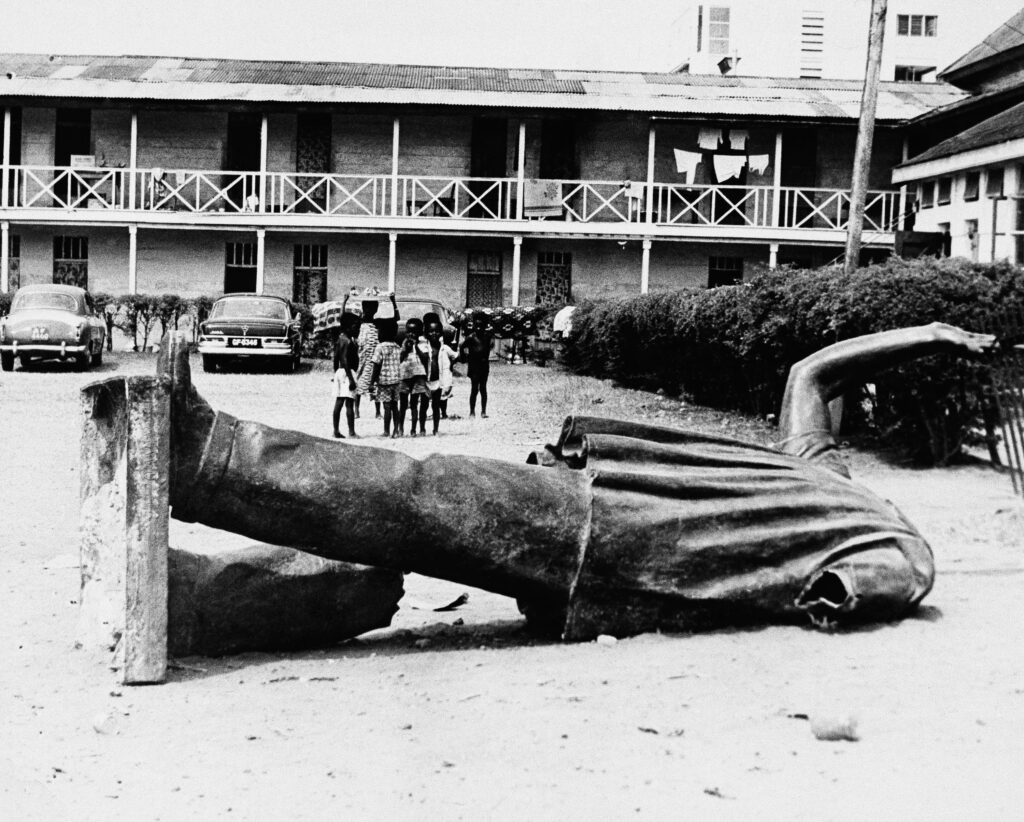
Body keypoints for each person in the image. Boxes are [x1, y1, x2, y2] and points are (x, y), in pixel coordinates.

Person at [156, 322, 997, 641]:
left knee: (421, 492)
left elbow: (848, 595)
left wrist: (926, 334)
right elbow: (811, 378)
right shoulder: (842, 488)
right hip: (608, 522)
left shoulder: (898, 549)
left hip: (616, 540)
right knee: (407, 527)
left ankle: (209, 460)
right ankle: (207, 596)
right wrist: (928, 332)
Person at [355, 292, 400, 420]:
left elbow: (396, 318)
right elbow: (343, 321)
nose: (369, 310)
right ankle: (356, 409)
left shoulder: (378, 322)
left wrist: (393, 301)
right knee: (360, 380)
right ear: (363, 308)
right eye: (366, 307)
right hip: (363, 357)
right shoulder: (359, 322)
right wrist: (345, 301)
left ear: (376, 309)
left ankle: (378, 411)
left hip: (375, 355)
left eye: (372, 307)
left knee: (376, 383)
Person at [369, 318, 402, 438]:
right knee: (395, 406)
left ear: (382, 333)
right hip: (396, 381)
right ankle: (396, 430)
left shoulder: (380, 347)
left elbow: (376, 366)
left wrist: (371, 382)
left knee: (387, 407)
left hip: (384, 382)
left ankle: (386, 431)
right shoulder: (397, 347)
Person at [424, 317, 457, 436]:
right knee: (423, 405)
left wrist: (462, 353)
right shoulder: (424, 348)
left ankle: (436, 429)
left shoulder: (444, 348)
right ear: (426, 333)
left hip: (438, 381)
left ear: (441, 333)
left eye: (437, 331)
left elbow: (456, 357)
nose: (434, 333)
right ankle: (422, 428)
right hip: (426, 381)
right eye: (431, 331)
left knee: (436, 406)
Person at [397, 317, 430, 437]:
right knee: (403, 404)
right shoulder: (404, 343)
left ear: (420, 332)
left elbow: (425, 358)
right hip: (405, 376)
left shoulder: (424, 344)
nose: (411, 334)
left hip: (418, 376)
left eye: (414, 332)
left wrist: (415, 347)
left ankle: (413, 429)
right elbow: (400, 358)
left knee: (414, 404)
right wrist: (406, 349)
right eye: (409, 332)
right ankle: (400, 428)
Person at [330, 312, 359, 439]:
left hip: (340, 372)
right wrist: (351, 379)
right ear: (348, 327)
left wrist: (336, 373)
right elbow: (345, 360)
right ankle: (351, 432)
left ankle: (336, 430)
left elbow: (336, 358)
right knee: (349, 404)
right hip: (348, 373)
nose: (357, 330)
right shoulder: (348, 341)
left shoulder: (340, 339)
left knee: (339, 402)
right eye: (355, 327)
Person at [461, 312, 493, 418]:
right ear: (473, 325)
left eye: (481, 325)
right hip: (474, 366)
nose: (478, 327)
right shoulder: (471, 337)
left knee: (483, 388)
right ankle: (472, 412)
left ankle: (483, 411)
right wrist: (463, 358)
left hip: (484, 366)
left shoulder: (487, 337)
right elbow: (462, 347)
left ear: (485, 325)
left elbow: (488, 348)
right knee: (474, 389)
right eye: (476, 325)